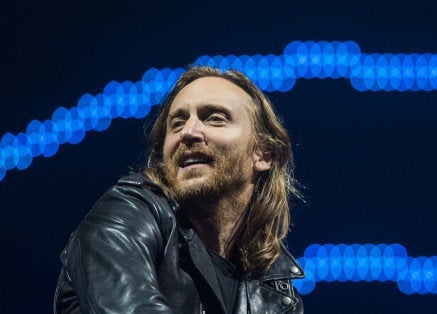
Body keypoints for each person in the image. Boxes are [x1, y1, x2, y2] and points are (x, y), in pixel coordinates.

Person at [54, 66, 305, 313]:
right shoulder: (123, 218)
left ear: (263, 155)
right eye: (176, 123)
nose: (188, 132)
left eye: (215, 118)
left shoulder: (274, 287)